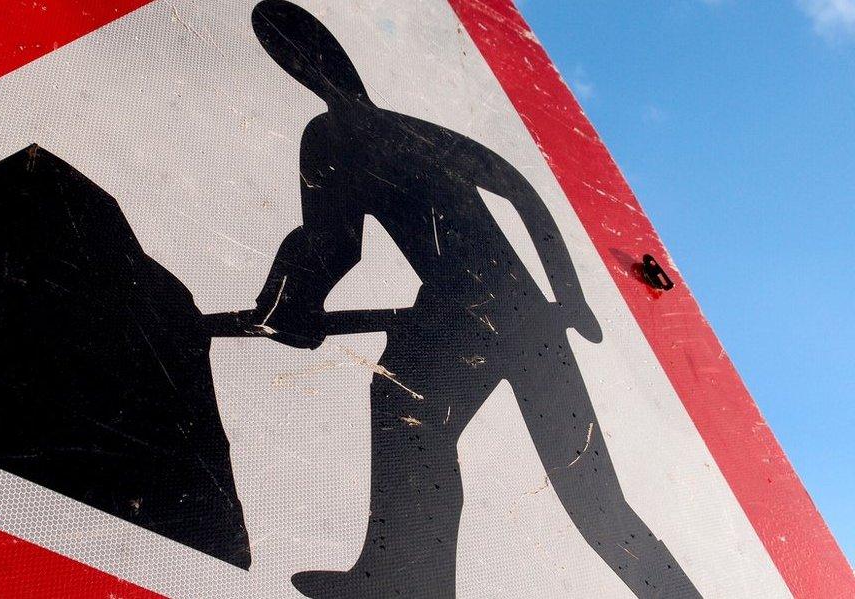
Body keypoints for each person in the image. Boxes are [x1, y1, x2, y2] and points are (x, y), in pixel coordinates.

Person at [249, 1, 701, 596]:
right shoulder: (414, 129)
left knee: (406, 410)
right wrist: (567, 299)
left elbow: (333, 245)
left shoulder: (332, 135)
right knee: (592, 495)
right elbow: (523, 195)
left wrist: (286, 306)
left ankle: (406, 580)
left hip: (462, 307)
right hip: (528, 316)